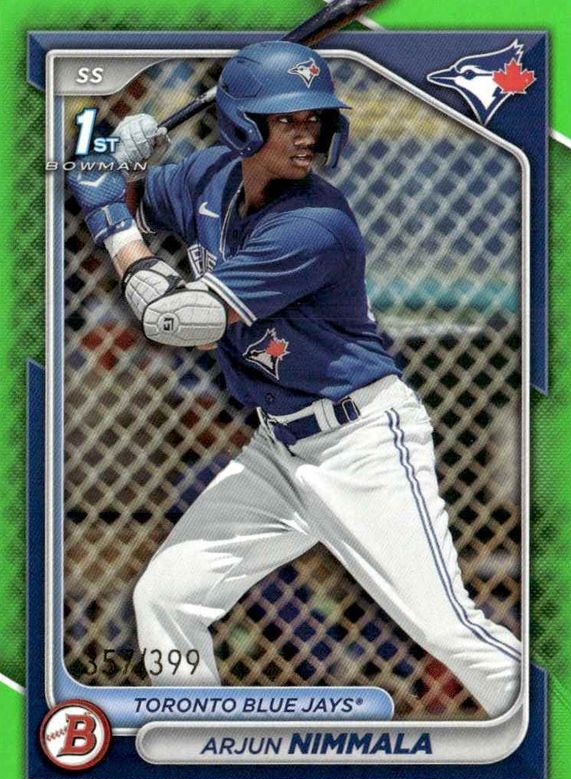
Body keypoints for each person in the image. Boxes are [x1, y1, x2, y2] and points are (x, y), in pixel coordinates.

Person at [69, 41, 521, 717]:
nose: (307, 133)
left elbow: (176, 318)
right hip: (278, 448)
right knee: (166, 596)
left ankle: (549, 728)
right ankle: (200, 746)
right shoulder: (207, 177)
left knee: (446, 628)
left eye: (314, 118)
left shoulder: (316, 223)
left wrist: (110, 222)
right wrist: (106, 151)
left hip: (361, 444)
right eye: (286, 119)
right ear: (241, 125)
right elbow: (115, 186)